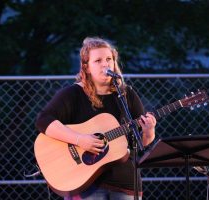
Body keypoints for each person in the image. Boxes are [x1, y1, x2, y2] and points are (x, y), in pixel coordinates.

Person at [35, 37, 156, 200]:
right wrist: (79, 139)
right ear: (87, 67)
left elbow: (142, 142)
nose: (105, 64)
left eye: (109, 59)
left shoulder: (127, 95)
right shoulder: (73, 94)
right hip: (86, 183)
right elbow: (43, 120)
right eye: (98, 60)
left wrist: (149, 130)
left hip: (126, 182)